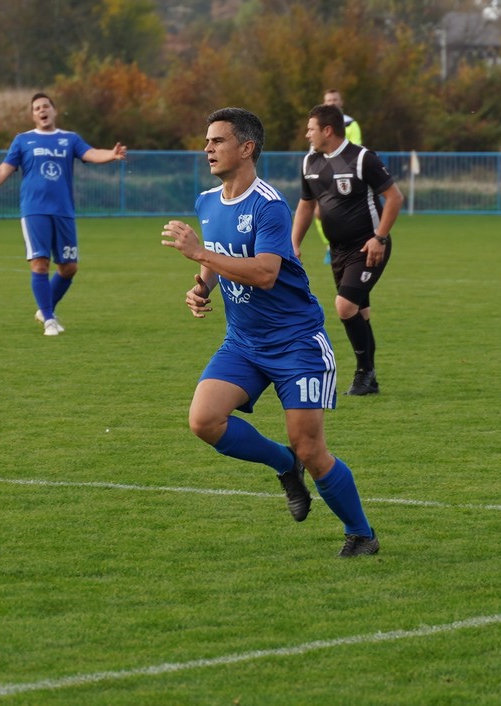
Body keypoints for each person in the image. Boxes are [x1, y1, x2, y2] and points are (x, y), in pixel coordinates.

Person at [161, 107, 379, 557]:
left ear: (246, 148)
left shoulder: (269, 206)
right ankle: (283, 465)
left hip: (296, 343)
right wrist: (201, 286)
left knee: (312, 448)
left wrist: (201, 255)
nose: (208, 149)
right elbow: (222, 260)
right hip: (243, 342)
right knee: (203, 420)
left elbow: (263, 273)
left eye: (217, 141)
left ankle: (361, 534)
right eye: (206, 141)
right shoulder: (207, 202)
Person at [0, 92, 127, 336]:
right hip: (34, 210)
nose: (42, 110)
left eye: (46, 106)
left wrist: (111, 155)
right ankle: (49, 319)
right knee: (40, 264)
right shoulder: (23, 141)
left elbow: (91, 153)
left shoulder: (69, 139)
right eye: (37, 108)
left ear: (54, 110)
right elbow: (2, 171)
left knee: (69, 267)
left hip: (64, 212)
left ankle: (45, 309)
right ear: (32, 115)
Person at [291, 103, 404, 397]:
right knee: (360, 312)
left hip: (368, 246)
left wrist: (379, 238)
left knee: (345, 306)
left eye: (311, 129)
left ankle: (364, 373)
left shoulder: (362, 158)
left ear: (328, 130)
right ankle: (369, 378)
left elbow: (394, 198)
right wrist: (294, 243)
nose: (307, 134)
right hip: (338, 250)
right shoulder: (310, 163)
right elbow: (306, 205)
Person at [312, 89, 363, 264]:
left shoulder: (350, 124)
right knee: (318, 212)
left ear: (341, 103)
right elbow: (315, 152)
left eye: (335, 100)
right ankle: (329, 246)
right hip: (323, 176)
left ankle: (352, 247)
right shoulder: (316, 126)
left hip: (345, 175)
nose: (332, 103)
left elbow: (354, 151)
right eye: (328, 100)